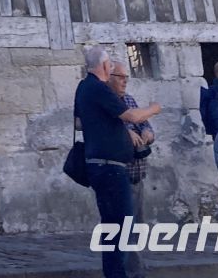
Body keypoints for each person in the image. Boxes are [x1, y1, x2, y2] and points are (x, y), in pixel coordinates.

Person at [75, 46, 162, 278]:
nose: (123, 80)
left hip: (100, 165)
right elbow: (131, 116)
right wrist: (154, 109)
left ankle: (116, 273)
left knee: (113, 227)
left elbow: (78, 122)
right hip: (110, 167)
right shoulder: (100, 88)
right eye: (114, 71)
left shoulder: (83, 87)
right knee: (122, 227)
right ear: (105, 67)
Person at [108, 59, 155, 278]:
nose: (125, 81)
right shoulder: (107, 102)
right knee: (123, 225)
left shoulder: (129, 99)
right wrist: (126, 133)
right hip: (119, 174)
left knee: (137, 224)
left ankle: (134, 268)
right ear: (109, 78)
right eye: (120, 77)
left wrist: (147, 133)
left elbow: (145, 123)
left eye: (126, 77)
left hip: (137, 173)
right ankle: (131, 271)